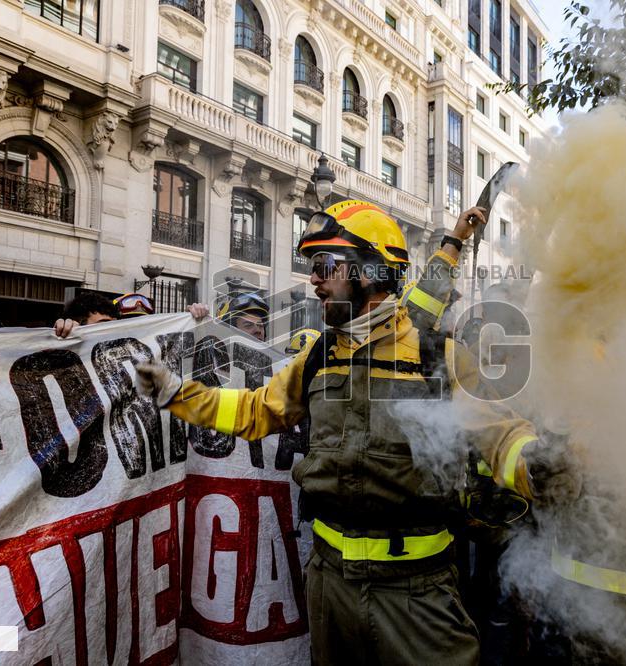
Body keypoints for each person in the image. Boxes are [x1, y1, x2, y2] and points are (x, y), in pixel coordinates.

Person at [136, 199, 573, 665]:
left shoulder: (437, 358)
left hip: (417, 592)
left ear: (370, 271)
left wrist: (533, 463)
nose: (313, 279)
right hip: (330, 585)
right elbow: (254, 411)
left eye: (325, 265)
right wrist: (176, 393)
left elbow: (500, 434)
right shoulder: (317, 357)